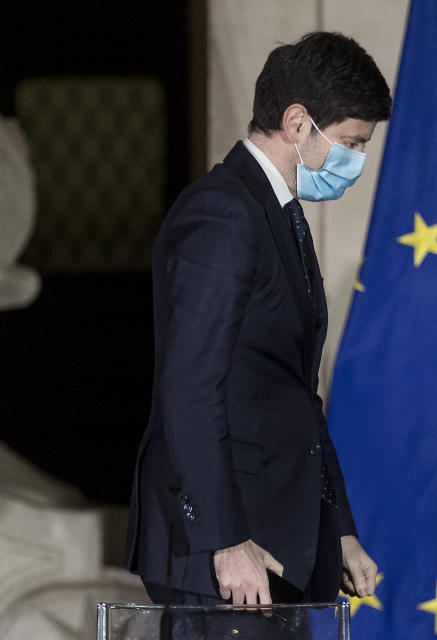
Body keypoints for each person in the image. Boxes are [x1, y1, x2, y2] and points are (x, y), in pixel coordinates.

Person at [124, 31, 392, 606]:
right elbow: (190, 388)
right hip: (224, 549)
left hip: (277, 537)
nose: (359, 161)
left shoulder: (275, 214)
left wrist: (338, 528)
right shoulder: (223, 213)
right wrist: (225, 541)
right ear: (298, 124)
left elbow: (293, 394)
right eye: (352, 142)